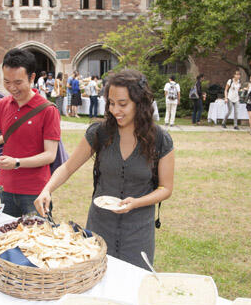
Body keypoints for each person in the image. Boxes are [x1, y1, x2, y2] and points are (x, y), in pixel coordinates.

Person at [34, 69, 174, 270]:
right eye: (111, 103)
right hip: (100, 226)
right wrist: (47, 189)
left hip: (139, 231)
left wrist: (136, 202)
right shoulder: (99, 133)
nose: (115, 110)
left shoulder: (160, 139)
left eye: (123, 104)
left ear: (140, 102)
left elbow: (166, 188)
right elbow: (66, 168)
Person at [0, 49, 61, 217]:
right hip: (5, 188)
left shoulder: (48, 110)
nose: (11, 88)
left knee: (35, 239)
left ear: (32, 78)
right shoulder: (2, 104)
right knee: (5, 237)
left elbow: (50, 155)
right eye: (7, 82)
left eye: (18, 82)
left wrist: (17, 162)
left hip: (36, 191)